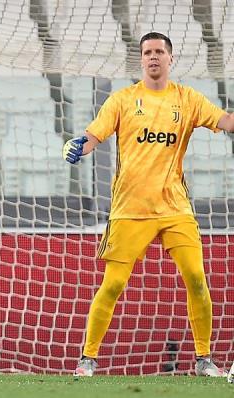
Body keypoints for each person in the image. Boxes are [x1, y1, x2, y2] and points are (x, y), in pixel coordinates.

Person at [63, 32, 234, 377]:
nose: (153, 57)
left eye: (159, 52)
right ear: (141, 59)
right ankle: (87, 360)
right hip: (129, 209)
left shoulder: (188, 99)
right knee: (111, 285)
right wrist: (77, 146)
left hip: (175, 209)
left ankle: (204, 360)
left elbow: (226, 122)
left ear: (171, 59)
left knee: (197, 279)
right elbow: (93, 137)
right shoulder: (123, 100)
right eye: (147, 52)